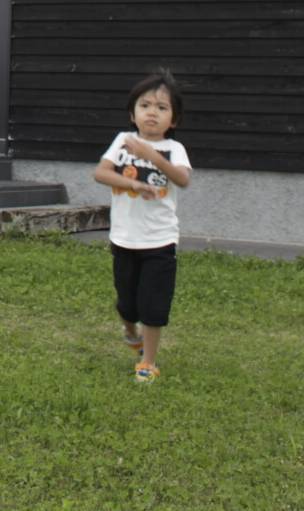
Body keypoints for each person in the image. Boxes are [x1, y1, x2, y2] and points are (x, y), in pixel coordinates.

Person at [92, 71, 192, 383]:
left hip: (160, 240)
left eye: (162, 108)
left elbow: (183, 179)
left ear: (174, 119)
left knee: (153, 305)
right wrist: (133, 184)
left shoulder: (174, 149)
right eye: (145, 105)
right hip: (124, 239)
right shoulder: (123, 141)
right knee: (127, 304)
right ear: (132, 114)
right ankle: (129, 331)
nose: (152, 112)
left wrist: (153, 156)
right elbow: (101, 173)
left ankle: (147, 362)